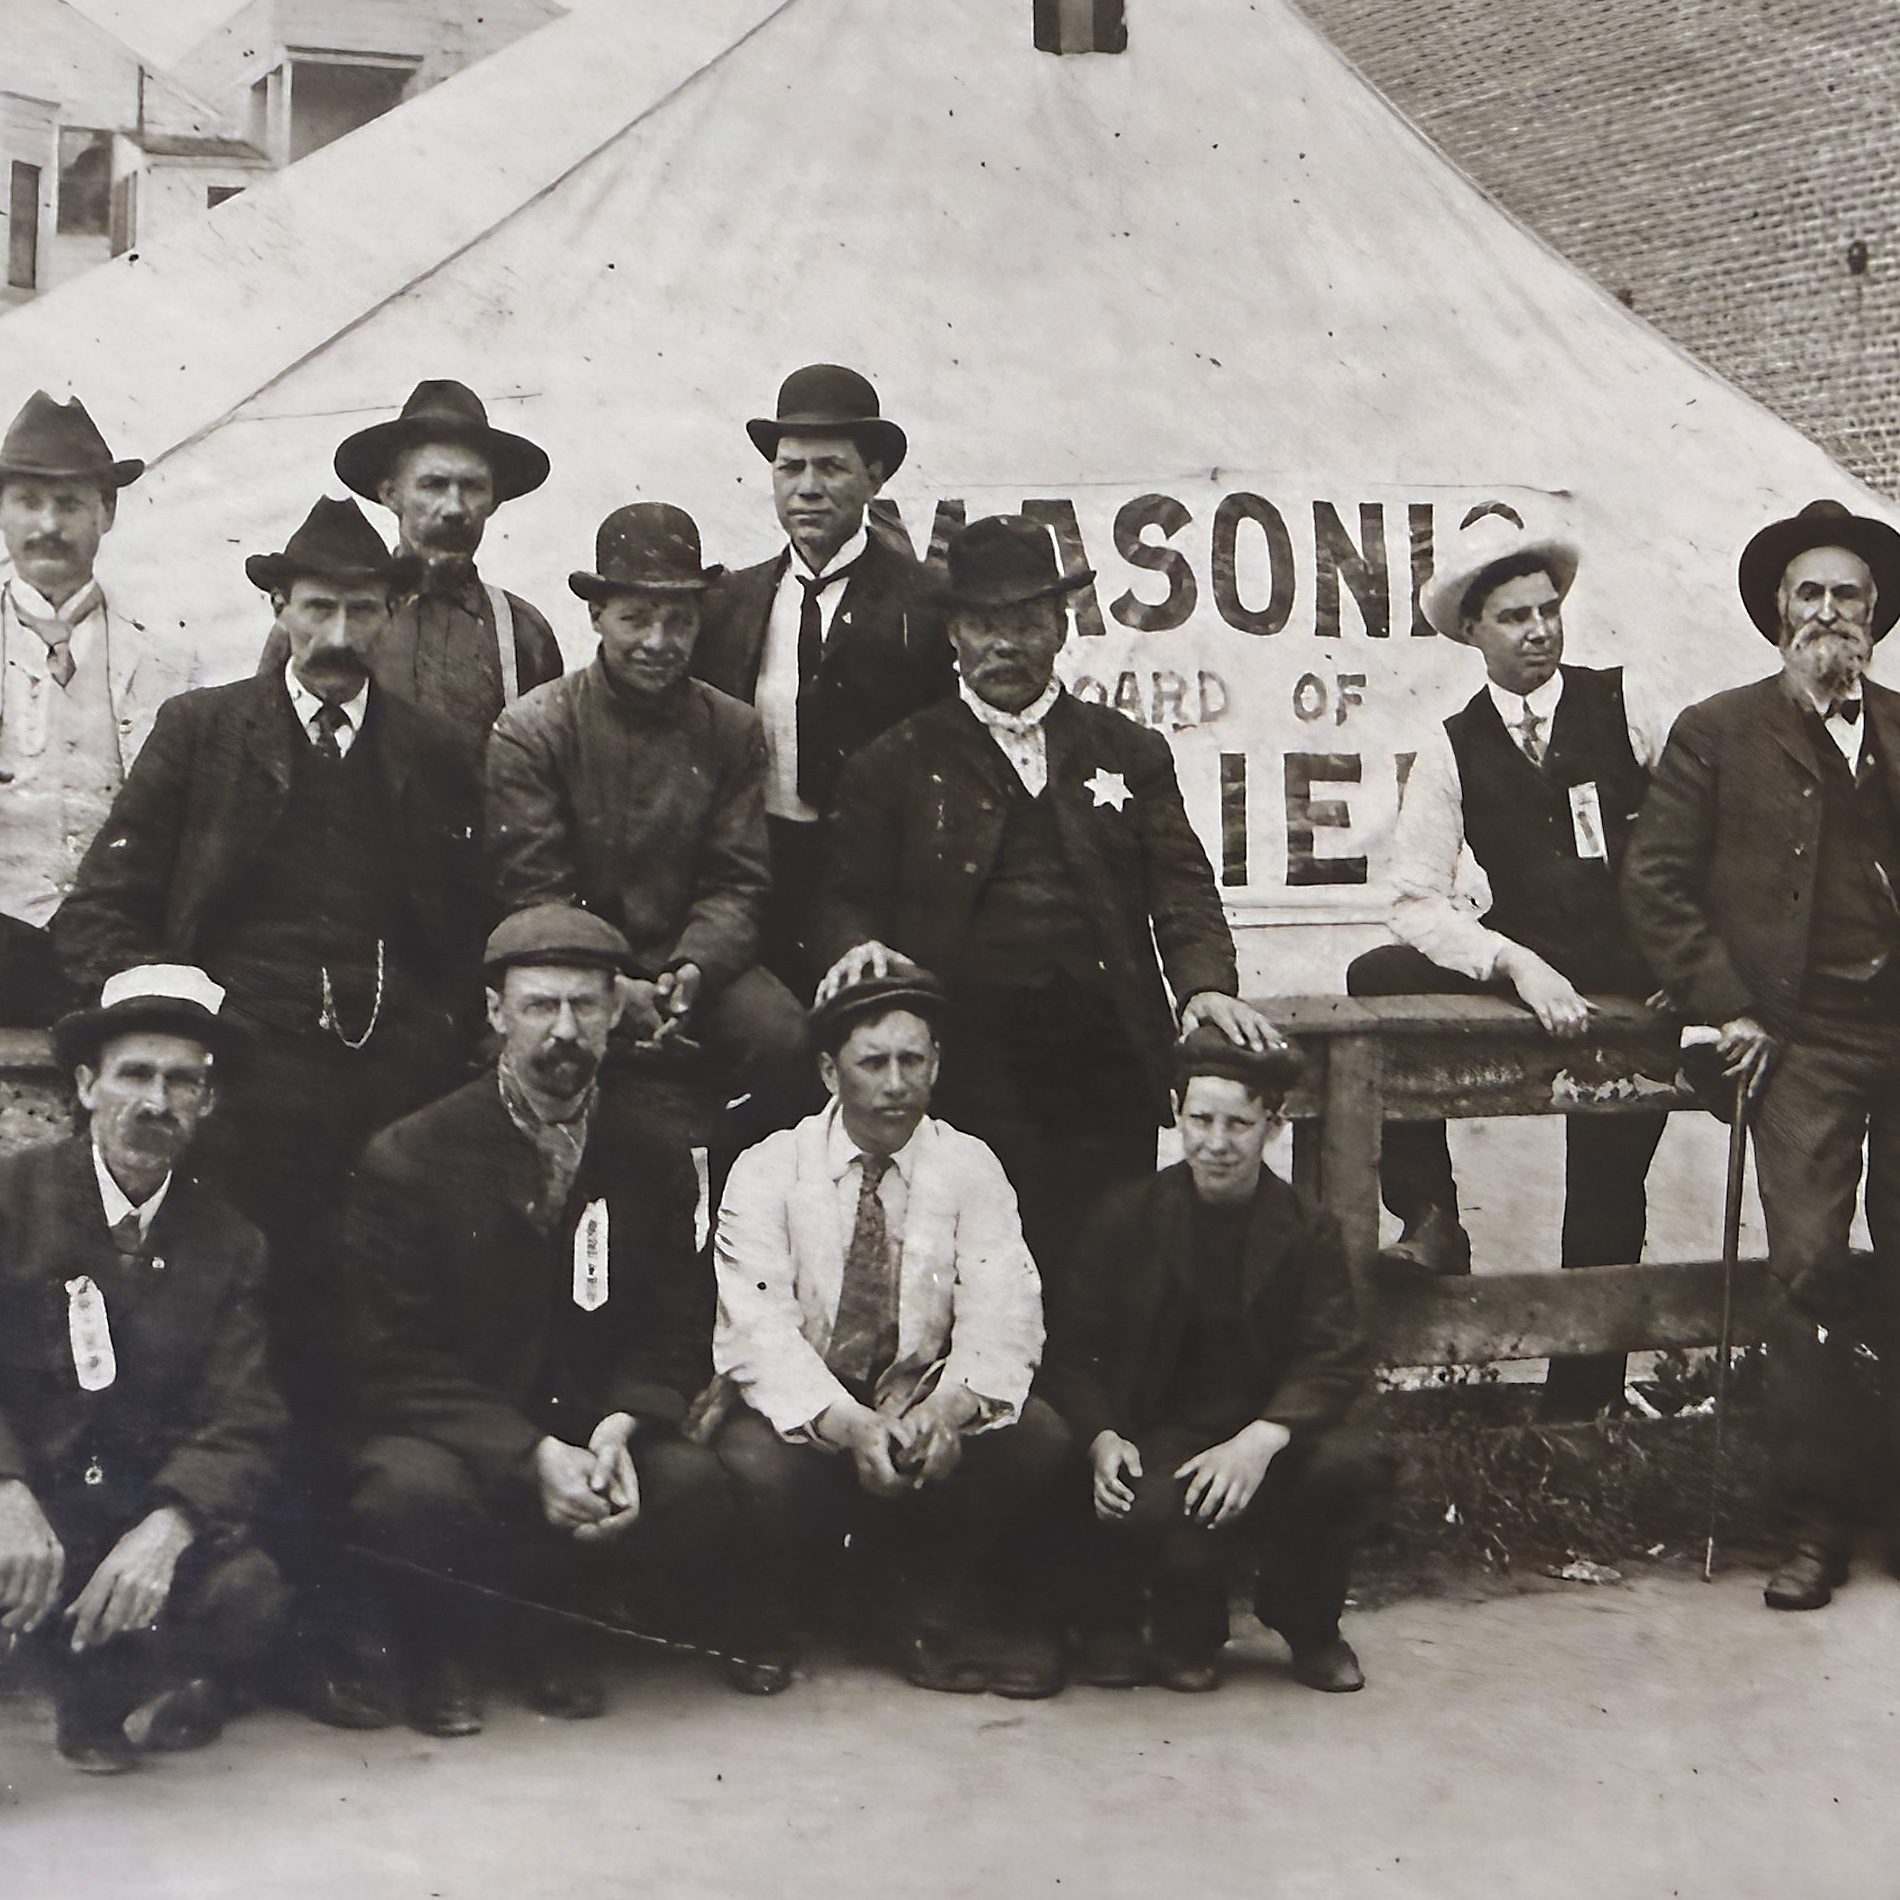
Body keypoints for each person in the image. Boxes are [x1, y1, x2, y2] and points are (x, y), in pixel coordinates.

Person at [52, 497, 485, 1725]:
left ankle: (374, 1619)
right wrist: (180, 1028)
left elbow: (461, 952)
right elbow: (102, 914)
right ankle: (255, 1615)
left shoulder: (433, 751)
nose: (339, 630)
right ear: (278, 608)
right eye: (318, 605)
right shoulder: (203, 734)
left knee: (372, 1356)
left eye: (362, 608)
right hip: (232, 1107)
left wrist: (421, 1069)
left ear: (390, 617)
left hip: (385, 1111)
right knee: (252, 1355)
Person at [814, 513, 1276, 1284]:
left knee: (1105, 1260)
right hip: (966, 1057)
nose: (1004, 644)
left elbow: (1182, 885)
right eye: (983, 624)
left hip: (1105, 1052)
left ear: (1061, 628)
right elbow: (843, 896)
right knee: (978, 1261)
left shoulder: (1126, 749)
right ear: (953, 634)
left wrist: (1203, 988)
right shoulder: (894, 762)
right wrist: (855, 943)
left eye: (1026, 621)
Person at [344, 905, 766, 1734]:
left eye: (584, 1006)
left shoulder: (652, 1156)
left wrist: (621, 1425)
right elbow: (388, 1357)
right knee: (406, 1494)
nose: (563, 1031)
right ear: (498, 1014)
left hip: (587, 1427)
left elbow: (678, 1326)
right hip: (462, 1434)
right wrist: (526, 1453)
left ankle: (557, 1626)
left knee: (694, 1488)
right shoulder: (411, 1156)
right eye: (540, 1006)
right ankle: (448, 1648)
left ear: (617, 1014)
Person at [1624, 497, 1900, 1611]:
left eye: (1847, 598)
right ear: (1777, 616)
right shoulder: (1717, 731)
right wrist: (1726, 1004)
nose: (1827, 616)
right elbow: (1652, 882)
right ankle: (1811, 1527)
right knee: (1805, 1277)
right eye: (1808, 597)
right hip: (1800, 1041)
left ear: (1875, 617)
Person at [1346, 512, 1671, 1418]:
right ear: (1473, 634)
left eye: (1547, 611)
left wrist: (1686, 962)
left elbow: (1700, 830)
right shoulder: (1454, 744)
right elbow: (1413, 895)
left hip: (1633, 977)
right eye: (1514, 619)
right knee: (1373, 981)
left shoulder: (1625, 701)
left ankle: (1581, 1416)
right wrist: (1513, 963)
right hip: (1533, 966)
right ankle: (1430, 1218)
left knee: (1604, 1187)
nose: (1538, 632)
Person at [709, 969, 1068, 1697]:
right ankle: (774, 1617)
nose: (897, 1084)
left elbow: (1005, 1312)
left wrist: (945, 1413)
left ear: (937, 1064)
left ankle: (921, 1608)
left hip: (915, 1405)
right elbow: (759, 1332)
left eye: (915, 1061)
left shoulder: (969, 1166)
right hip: (809, 1411)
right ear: (827, 1071)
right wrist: (852, 1427)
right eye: (874, 1063)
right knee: (752, 1463)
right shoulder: (769, 1169)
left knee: (1038, 1436)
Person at [0, 965, 285, 1773]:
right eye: (134, 1074)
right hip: (18, 1503)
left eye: (181, 1081)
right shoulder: (10, 1199)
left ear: (208, 1101)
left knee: (245, 1589)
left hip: (123, 1520)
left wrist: (168, 1528)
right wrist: (7, 1490)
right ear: (87, 1086)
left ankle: (96, 1698)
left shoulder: (230, 1243)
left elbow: (244, 1417)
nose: (155, 1102)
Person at [1042, 1028, 1385, 1694]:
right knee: (1152, 1525)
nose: (1218, 1143)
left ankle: (1309, 1626)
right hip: (1168, 1432)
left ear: (1273, 1126)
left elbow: (1332, 1353)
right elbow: (1073, 1349)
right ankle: (1185, 1627)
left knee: (1347, 1467)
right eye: (1201, 1120)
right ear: (1176, 1116)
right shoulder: (1127, 1216)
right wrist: (1101, 1437)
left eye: (1239, 1123)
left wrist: (1261, 1439)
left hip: (1271, 1431)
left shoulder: (1308, 1228)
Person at [487, 503, 808, 1143]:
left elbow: (737, 881)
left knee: (787, 1041)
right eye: (636, 619)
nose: (658, 642)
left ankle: (731, 1195)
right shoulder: (533, 729)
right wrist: (609, 983)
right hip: (571, 960)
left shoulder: (730, 727)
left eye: (679, 621)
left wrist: (694, 969)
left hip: (691, 962)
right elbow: (535, 892)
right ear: (597, 615)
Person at [695, 363, 954, 990]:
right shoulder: (729, 602)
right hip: (760, 878)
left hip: (878, 889)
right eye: (791, 468)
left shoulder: (927, 602)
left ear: (874, 477)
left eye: (830, 468)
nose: (807, 488)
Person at [0, 391, 193, 1023]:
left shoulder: (168, 655)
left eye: (69, 504)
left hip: (119, 947)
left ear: (106, 512)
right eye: (27, 502)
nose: (47, 526)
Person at [255, 379, 560, 760]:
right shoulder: (318, 621)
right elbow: (263, 754)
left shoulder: (523, 632)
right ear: (391, 494)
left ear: (494, 501)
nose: (454, 507)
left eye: (472, 487)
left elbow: (544, 771)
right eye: (433, 485)